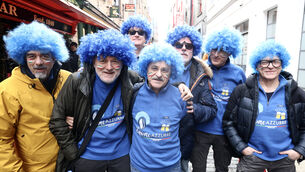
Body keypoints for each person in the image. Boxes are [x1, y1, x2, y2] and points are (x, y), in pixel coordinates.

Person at [49, 30, 192, 172]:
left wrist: (179, 85)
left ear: (123, 62)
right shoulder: (76, 81)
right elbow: (57, 121)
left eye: (115, 61)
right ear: (92, 60)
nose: (109, 67)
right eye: (102, 60)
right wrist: (72, 153)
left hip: (122, 157)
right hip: (87, 157)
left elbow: (155, 81)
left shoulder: (130, 79)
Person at [223, 40, 305, 172]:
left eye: (275, 61)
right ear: (257, 66)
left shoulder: (297, 93)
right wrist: (243, 148)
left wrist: (299, 151)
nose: (270, 66)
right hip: (252, 158)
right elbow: (228, 123)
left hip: (284, 160)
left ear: (281, 64)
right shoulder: (242, 91)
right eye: (265, 62)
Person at [0, 21, 70, 171]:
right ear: (23, 57)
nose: (38, 62)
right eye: (31, 56)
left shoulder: (68, 80)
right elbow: (1, 141)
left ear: (54, 57)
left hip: (68, 164)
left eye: (44, 56)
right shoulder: (7, 90)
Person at [129, 43, 192, 172]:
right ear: (146, 69)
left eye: (164, 70)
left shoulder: (181, 96)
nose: (158, 74)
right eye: (154, 68)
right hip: (139, 167)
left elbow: (186, 130)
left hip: (171, 166)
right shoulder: (133, 94)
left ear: (171, 73)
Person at [190, 27, 246, 172]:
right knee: (198, 168)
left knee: (222, 168)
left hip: (224, 131)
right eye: (213, 49)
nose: (215, 54)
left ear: (229, 52)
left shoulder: (238, 73)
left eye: (222, 51)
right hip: (200, 129)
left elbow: (244, 101)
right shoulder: (200, 69)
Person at [166, 25, 217, 172]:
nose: (183, 48)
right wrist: (178, 84)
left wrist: (195, 109)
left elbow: (212, 109)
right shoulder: (160, 67)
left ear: (194, 49)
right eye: (178, 45)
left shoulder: (201, 75)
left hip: (184, 139)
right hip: (159, 135)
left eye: (188, 45)